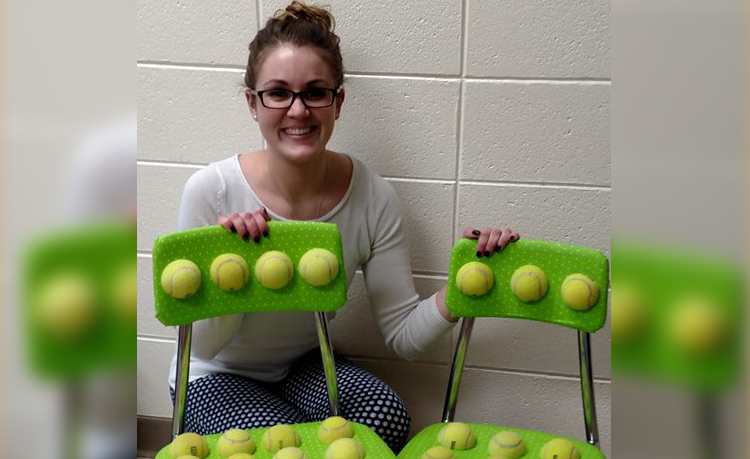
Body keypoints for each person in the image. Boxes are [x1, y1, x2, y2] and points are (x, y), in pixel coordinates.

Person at [169, 1, 519, 452]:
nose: (298, 110)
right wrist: (237, 269)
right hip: (215, 375)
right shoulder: (212, 192)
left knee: (385, 417)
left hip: (304, 364)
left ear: (338, 102)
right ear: (253, 104)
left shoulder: (372, 196)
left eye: (315, 92)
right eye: (278, 93)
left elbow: (403, 335)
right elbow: (203, 347)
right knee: (291, 447)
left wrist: (464, 289)